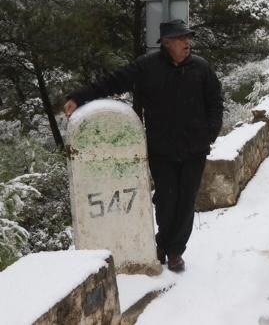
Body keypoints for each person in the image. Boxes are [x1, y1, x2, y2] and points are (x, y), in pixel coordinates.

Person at [64, 19, 224, 272]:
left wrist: (210, 133)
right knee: (166, 200)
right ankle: (163, 242)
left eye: (188, 38)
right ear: (167, 43)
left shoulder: (201, 68)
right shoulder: (147, 67)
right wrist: (78, 97)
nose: (187, 43)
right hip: (162, 150)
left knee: (186, 202)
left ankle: (174, 251)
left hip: (195, 149)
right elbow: (113, 81)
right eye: (182, 39)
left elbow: (215, 100)